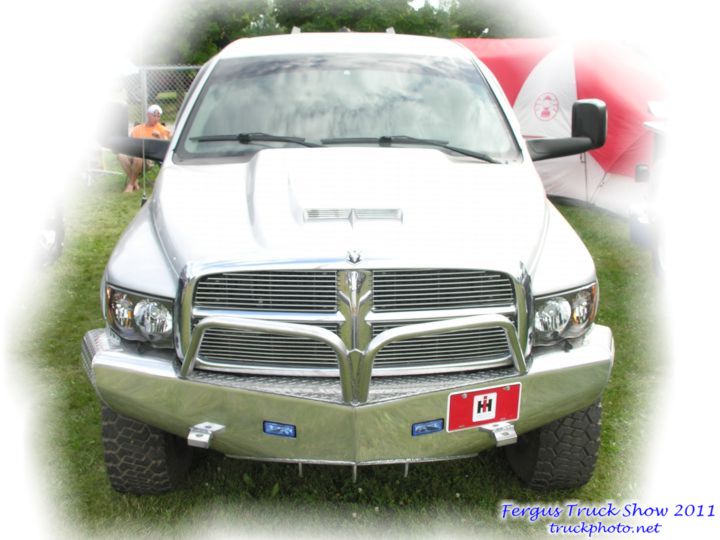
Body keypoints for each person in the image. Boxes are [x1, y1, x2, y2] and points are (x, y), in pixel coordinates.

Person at [117, 104, 171, 192]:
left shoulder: (162, 130)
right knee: (121, 155)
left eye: (158, 116)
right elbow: (130, 144)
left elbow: (166, 148)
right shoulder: (137, 129)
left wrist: (159, 137)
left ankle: (131, 185)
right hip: (134, 154)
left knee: (139, 156)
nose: (156, 118)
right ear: (148, 115)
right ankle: (135, 182)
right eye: (154, 115)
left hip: (149, 158)